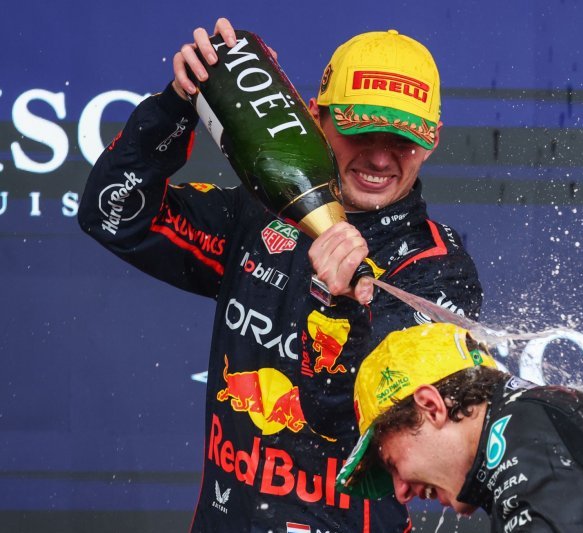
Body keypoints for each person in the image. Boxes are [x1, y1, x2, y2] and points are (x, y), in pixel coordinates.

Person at [77, 18, 482, 533]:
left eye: (401, 141)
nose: (380, 158)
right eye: (361, 132)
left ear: (431, 142)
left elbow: (357, 423)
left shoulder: (437, 271)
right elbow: (113, 217)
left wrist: (340, 306)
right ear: (315, 118)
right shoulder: (258, 213)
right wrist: (177, 107)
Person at [337, 323, 583, 533]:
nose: (400, 492)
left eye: (391, 463)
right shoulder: (541, 414)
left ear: (431, 407)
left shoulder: (518, 428)